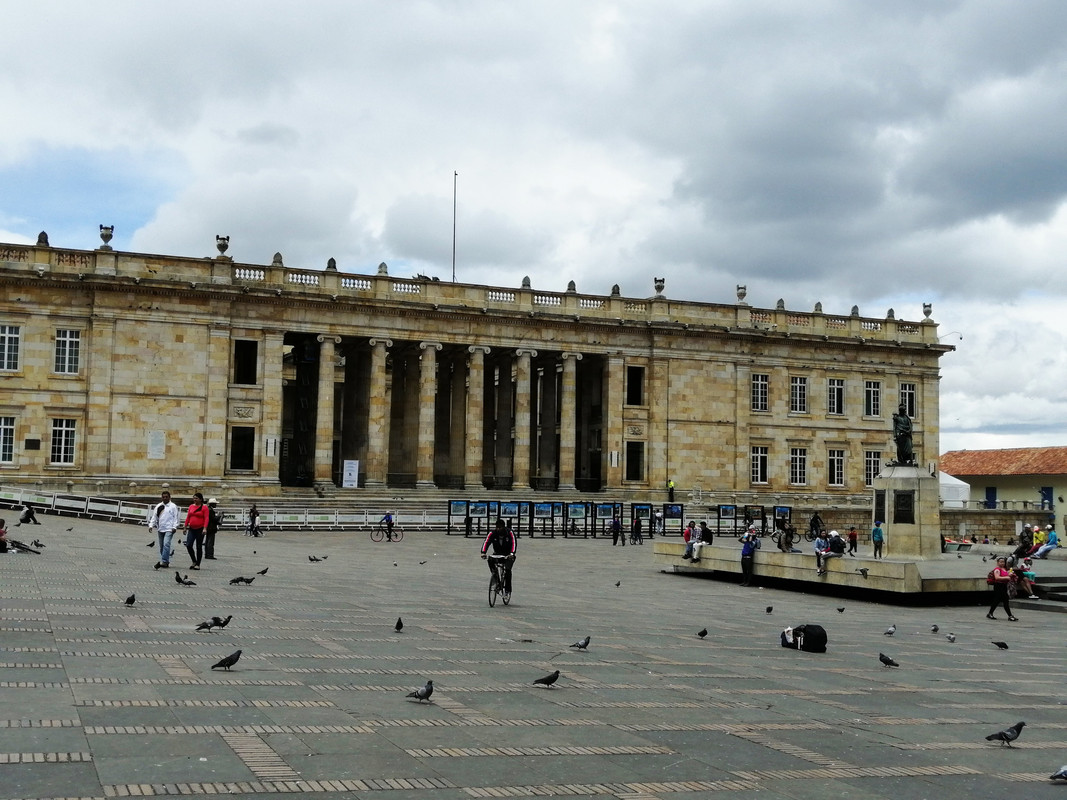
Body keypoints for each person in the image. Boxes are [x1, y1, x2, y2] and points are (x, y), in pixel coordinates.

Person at [480, 518, 517, 598]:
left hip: (508, 555)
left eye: (500, 527)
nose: (498, 529)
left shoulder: (509, 533)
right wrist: (483, 552)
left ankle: (507, 590)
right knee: (490, 560)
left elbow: (514, 543)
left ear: (503, 527)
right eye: (497, 527)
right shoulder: (492, 533)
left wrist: (512, 553)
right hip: (497, 554)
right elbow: (487, 542)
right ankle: (495, 578)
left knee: (507, 570)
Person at [147, 490, 180, 570]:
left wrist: (175, 527)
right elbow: (155, 516)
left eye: (166, 497)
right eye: (163, 497)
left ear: (169, 497)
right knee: (162, 546)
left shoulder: (173, 506)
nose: (165, 498)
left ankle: (164, 561)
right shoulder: (159, 506)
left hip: (169, 528)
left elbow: (176, 517)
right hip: (160, 528)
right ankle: (165, 560)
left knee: (166, 544)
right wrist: (151, 525)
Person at [183, 493, 209, 570]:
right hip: (191, 528)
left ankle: (198, 563)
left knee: (198, 546)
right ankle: (194, 560)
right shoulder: (191, 506)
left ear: (201, 499)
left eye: (196, 498)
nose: (195, 500)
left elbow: (206, 518)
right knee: (188, 545)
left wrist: (205, 528)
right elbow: (188, 517)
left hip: (200, 529)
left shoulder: (204, 508)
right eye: (194, 498)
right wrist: (185, 526)